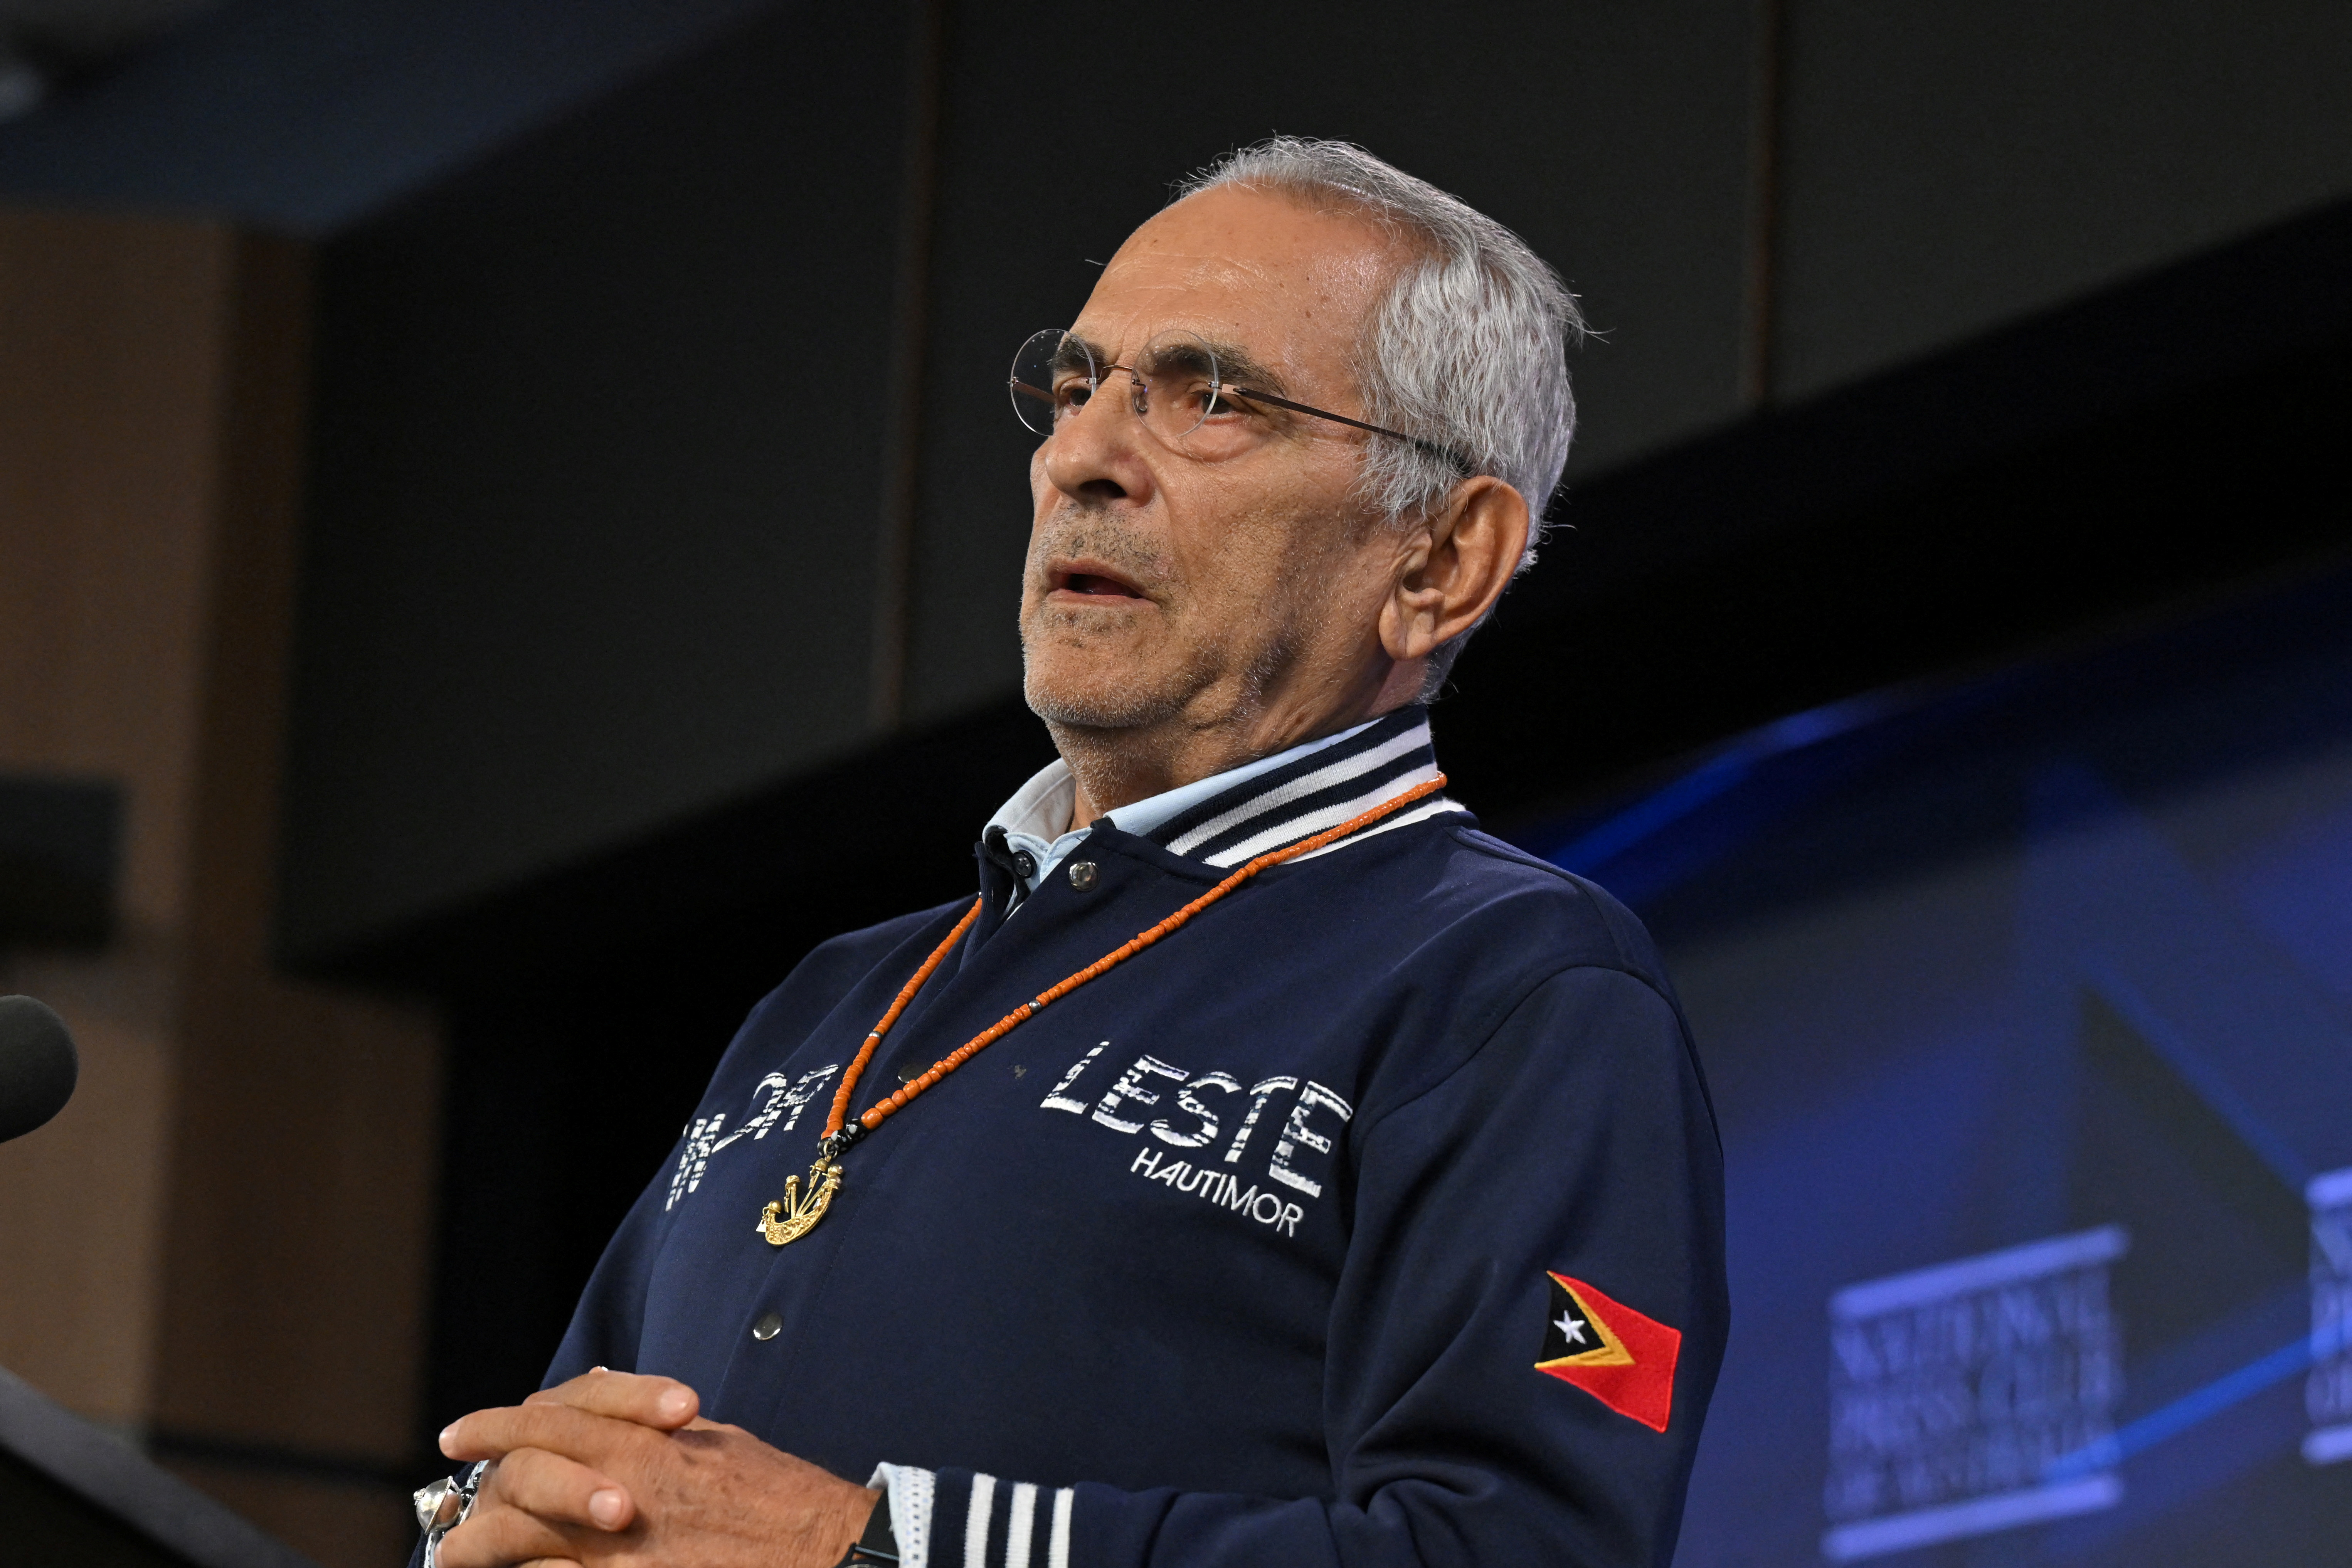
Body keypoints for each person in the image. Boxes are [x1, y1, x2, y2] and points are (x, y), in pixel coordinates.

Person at [419, 136, 1727, 1568]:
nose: (1081, 459)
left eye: (1212, 399)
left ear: (1438, 561)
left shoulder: (1514, 988)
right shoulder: (832, 1000)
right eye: (1077, 385)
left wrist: (872, 1547)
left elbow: (1523, 1553)